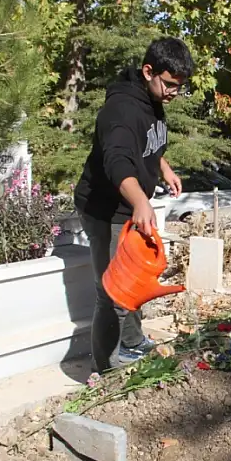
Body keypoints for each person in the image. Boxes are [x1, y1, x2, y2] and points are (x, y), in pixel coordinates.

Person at [73, 37, 193, 372]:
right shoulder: (121, 110)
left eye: (179, 87)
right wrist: (141, 200)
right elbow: (117, 160)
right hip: (105, 209)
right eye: (169, 85)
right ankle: (107, 371)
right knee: (112, 292)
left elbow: (145, 142)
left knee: (135, 280)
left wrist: (162, 167)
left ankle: (133, 342)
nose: (173, 93)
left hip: (128, 206)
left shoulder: (151, 98)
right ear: (147, 71)